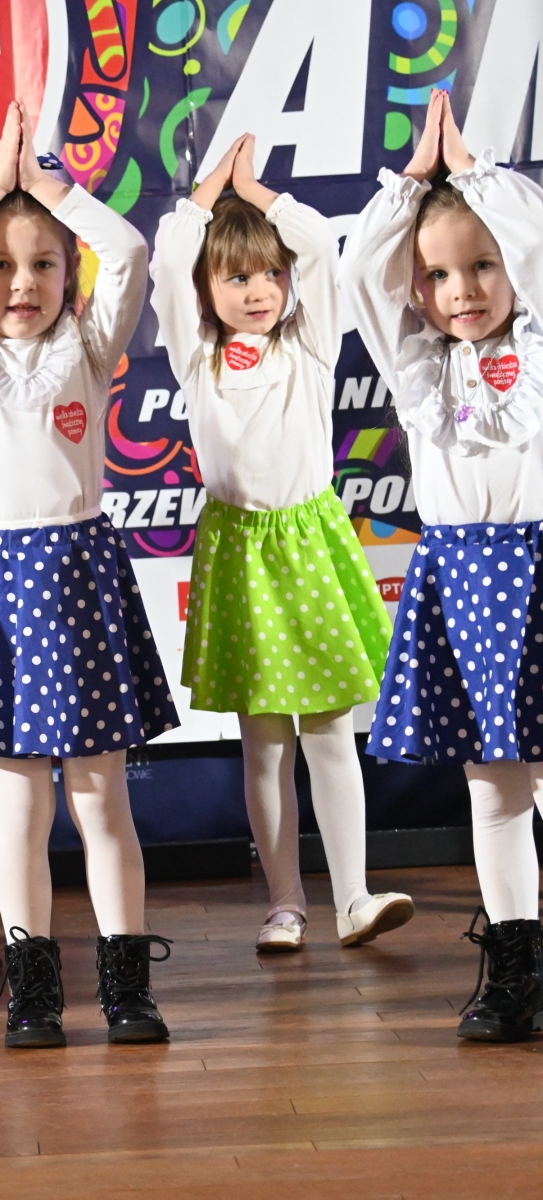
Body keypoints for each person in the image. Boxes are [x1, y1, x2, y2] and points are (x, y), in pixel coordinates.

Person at [0, 104, 176, 1047]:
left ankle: (127, 987)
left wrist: (52, 191)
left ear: (67, 271)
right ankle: (33, 992)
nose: (22, 283)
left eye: (44, 264)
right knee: (17, 803)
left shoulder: (86, 345)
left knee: (99, 796)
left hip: (76, 572)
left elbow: (127, 250)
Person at [151, 134, 413, 954]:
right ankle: (284, 904)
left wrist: (257, 192)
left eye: (268, 274)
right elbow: (166, 260)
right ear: (207, 289)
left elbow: (318, 246)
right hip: (239, 551)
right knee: (263, 744)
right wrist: (206, 194)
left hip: (308, 543)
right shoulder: (195, 356)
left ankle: (353, 898)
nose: (258, 290)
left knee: (329, 732)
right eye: (236, 277)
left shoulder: (308, 343)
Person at [343, 90, 543, 1042]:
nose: (462, 288)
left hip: (538, 567)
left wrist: (474, 177)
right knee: (491, 790)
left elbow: (535, 243)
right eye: (438, 274)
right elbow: (359, 274)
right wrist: (412, 183)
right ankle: (515, 971)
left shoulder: (537, 343)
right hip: (464, 579)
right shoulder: (417, 365)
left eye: (482, 265)